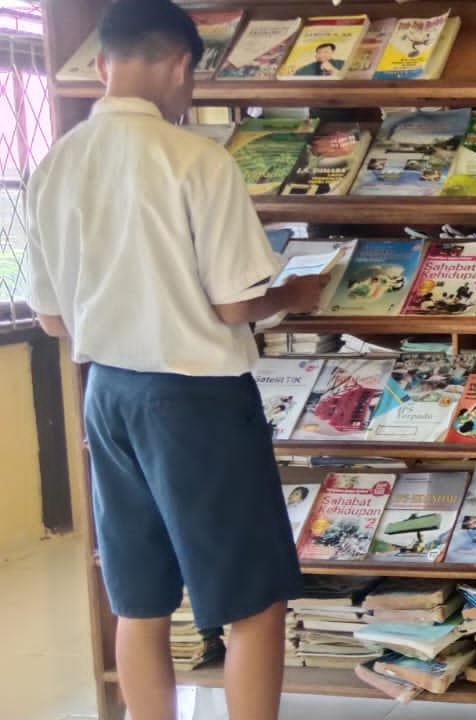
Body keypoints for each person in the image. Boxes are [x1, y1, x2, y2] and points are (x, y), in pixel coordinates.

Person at [20, 1, 328, 718]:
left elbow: (51, 318)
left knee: (139, 598)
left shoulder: (53, 165)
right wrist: (295, 293)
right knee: (253, 600)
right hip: (196, 400)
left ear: (102, 64)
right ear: (182, 64)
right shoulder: (198, 160)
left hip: (107, 394)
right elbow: (233, 305)